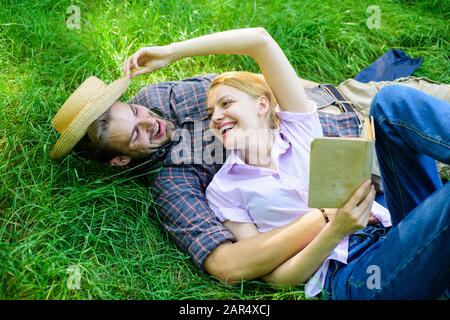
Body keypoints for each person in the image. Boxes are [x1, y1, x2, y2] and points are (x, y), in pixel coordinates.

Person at [50, 28, 449, 299]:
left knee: (393, 102)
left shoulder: (169, 95)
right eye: (135, 134)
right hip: (364, 233)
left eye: (135, 111)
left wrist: (171, 52)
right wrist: (329, 219)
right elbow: (238, 267)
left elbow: (259, 42)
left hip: (352, 104)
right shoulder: (201, 185)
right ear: (121, 159)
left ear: (264, 103)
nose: (149, 123)